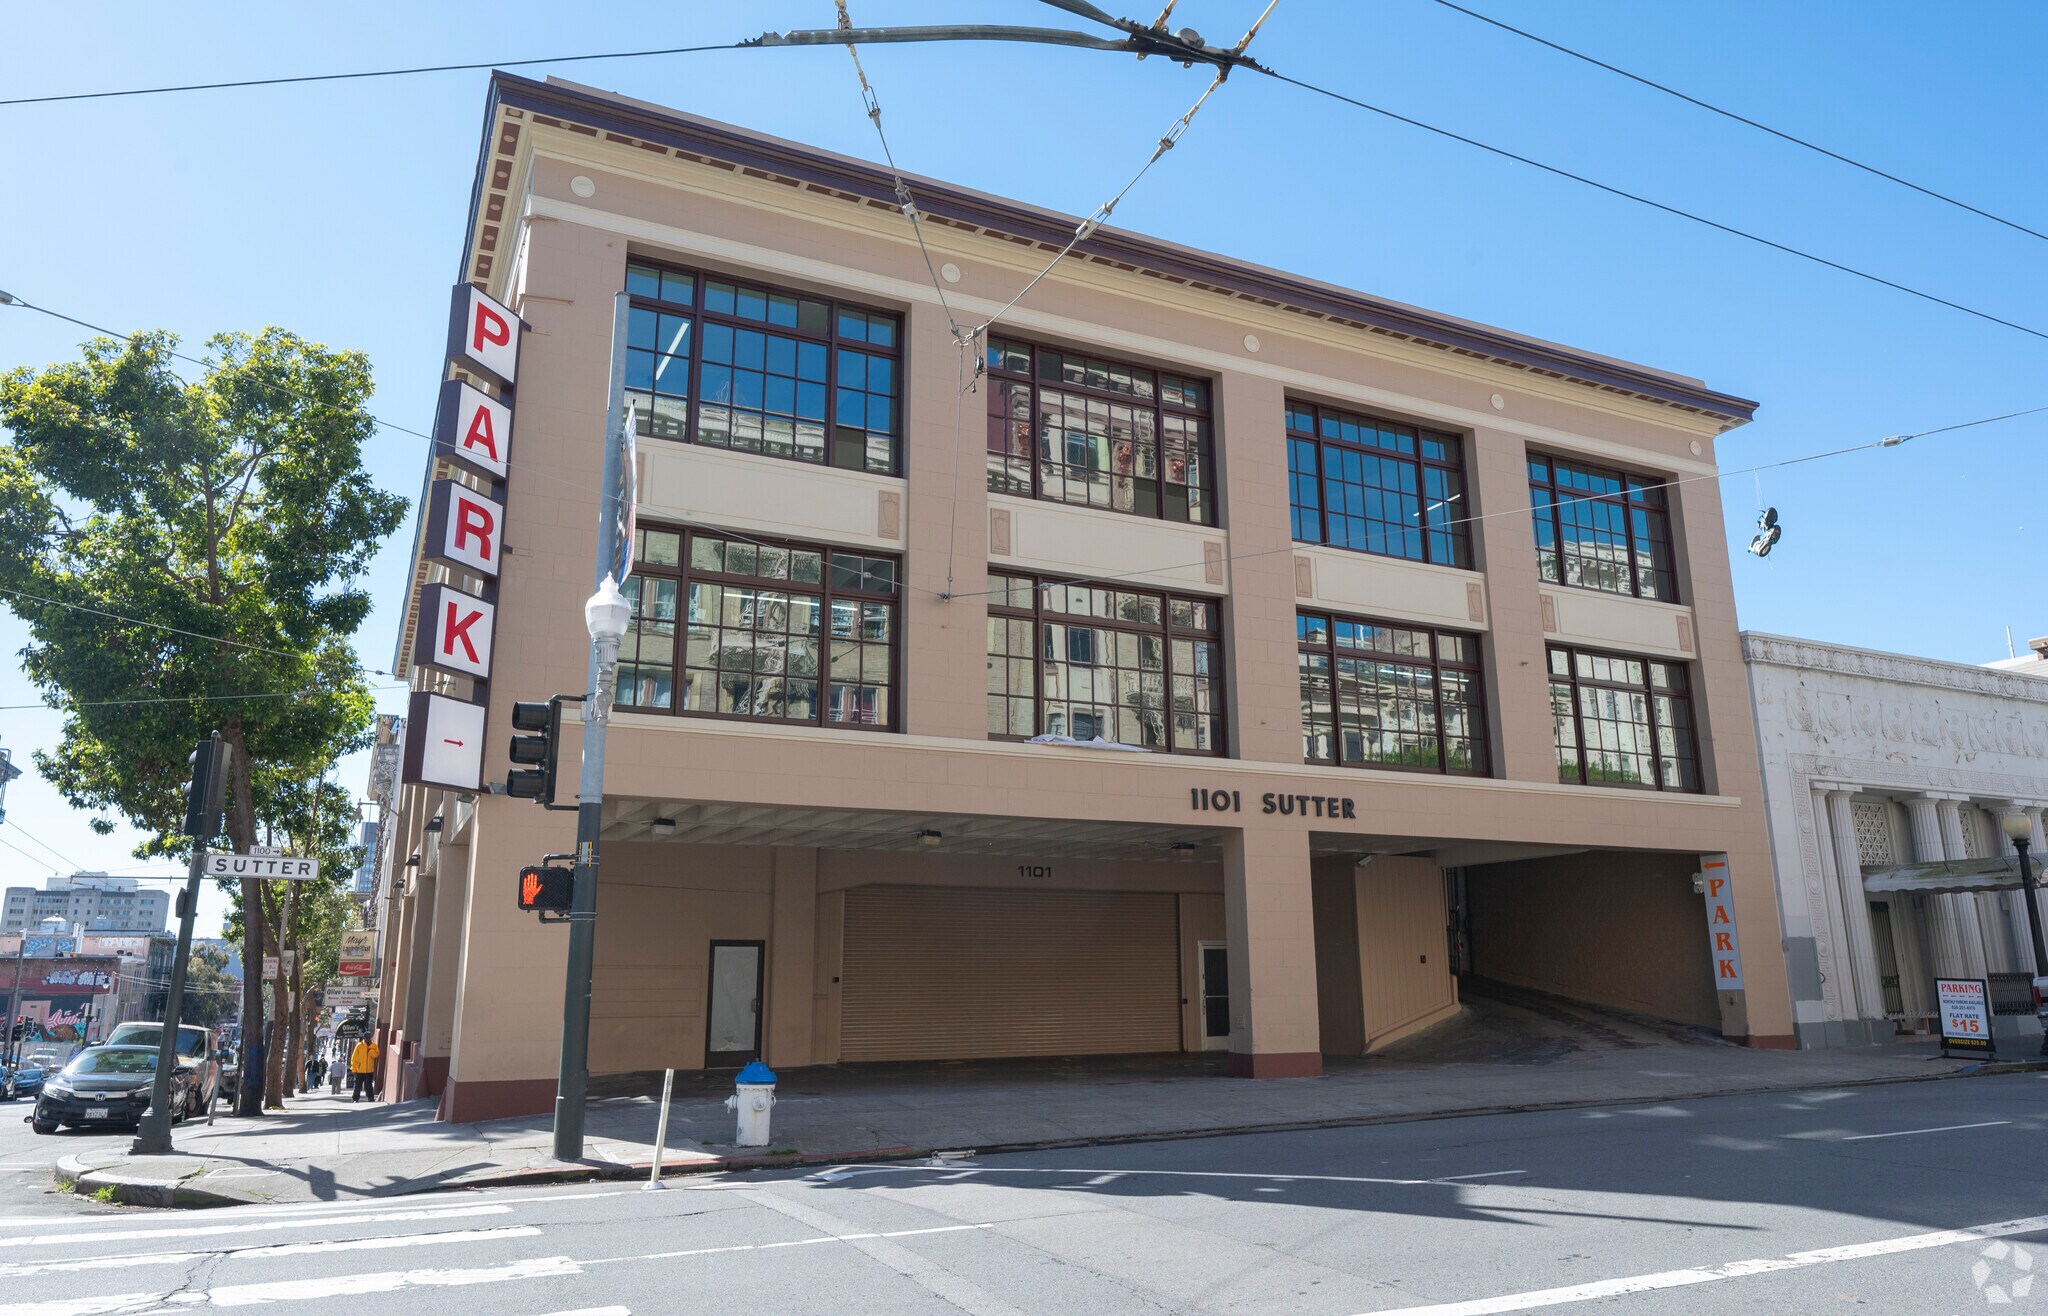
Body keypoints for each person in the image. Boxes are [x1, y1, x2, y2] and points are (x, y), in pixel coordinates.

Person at [347, 1037, 378, 1102]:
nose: (368, 1039)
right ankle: (355, 1098)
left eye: (369, 1037)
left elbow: (376, 1055)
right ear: (364, 1038)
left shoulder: (373, 1046)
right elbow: (354, 1058)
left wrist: (370, 1050)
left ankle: (370, 1098)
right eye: (367, 1037)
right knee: (358, 1086)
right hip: (360, 1070)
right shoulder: (359, 1045)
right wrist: (354, 1069)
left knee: (369, 1085)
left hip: (369, 1070)